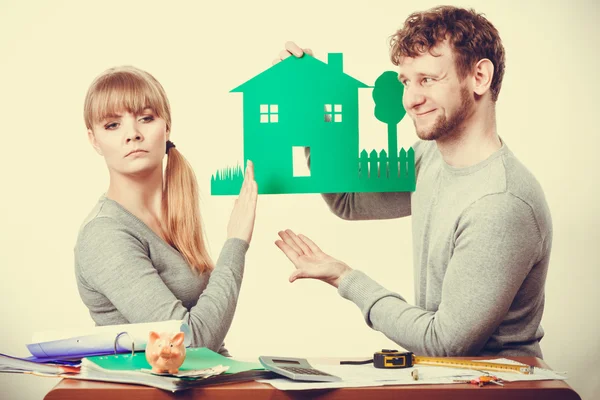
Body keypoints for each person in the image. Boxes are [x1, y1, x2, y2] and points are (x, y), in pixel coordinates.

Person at [273, 6, 552, 357]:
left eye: (428, 80)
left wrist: (345, 277)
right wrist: (315, 101)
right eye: (406, 81)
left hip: (499, 388)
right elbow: (347, 199)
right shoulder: (429, 158)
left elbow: (445, 342)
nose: (410, 100)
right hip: (447, 380)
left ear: (479, 77)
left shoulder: (501, 202)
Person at [74, 65, 258, 356]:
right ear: (94, 140)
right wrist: (236, 242)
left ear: (167, 126)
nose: (132, 134)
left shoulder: (175, 215)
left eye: (146, 119)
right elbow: (189, 344)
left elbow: (209, 342)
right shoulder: (105, 233)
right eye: (112, 125)